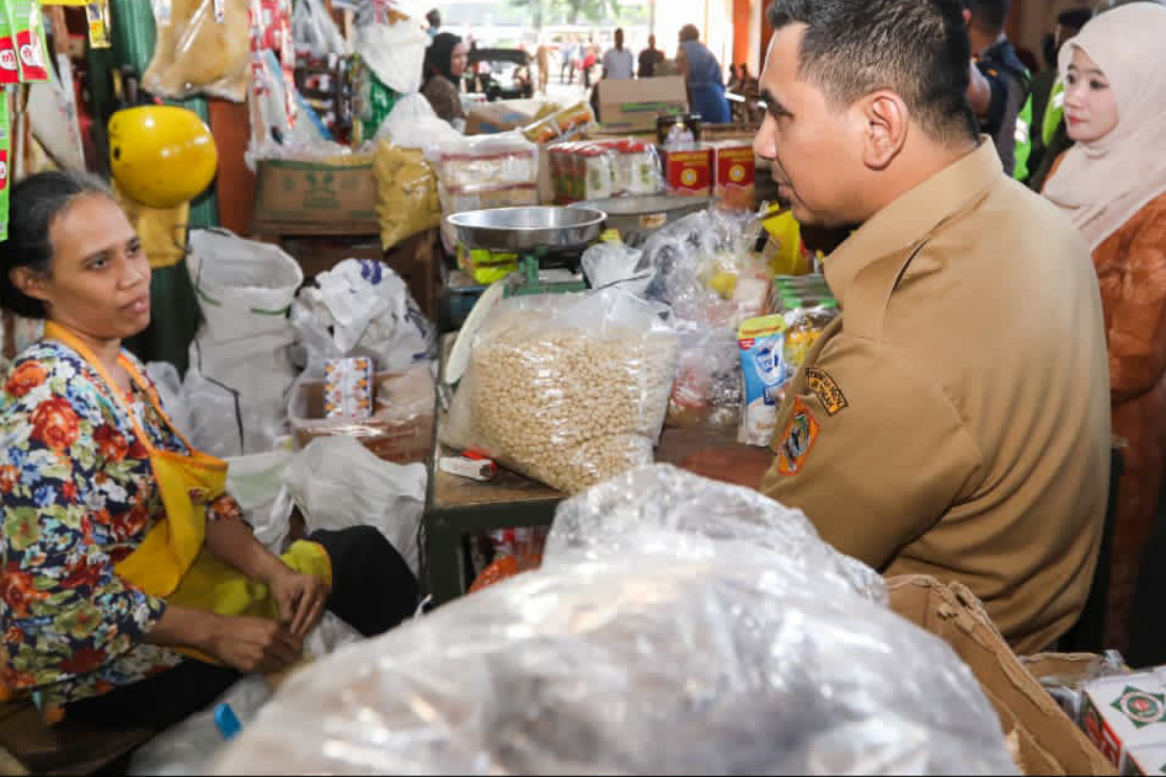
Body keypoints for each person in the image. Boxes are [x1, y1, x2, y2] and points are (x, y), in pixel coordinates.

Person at [720, 0, 1109, 655]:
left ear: (880, 126)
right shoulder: (1035, 218)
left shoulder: (892, 352)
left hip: (919, 684)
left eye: (779, 113)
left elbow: (777, 573)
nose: (762, 143)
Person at [0, 172, 419, 728]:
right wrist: (216, 633)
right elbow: (55, 603)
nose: (133, 278)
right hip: (105, 671)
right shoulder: (46, 409)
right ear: (34, 282)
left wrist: (274, 574)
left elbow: (194, 495)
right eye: (99, 264)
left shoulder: (115, 365)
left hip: (173, 596)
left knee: (341, 561)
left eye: (132, 250)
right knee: (361, 565)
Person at [1042, 2, 1166, 656]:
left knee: (1101, 603)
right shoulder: (1072, 165)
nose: (1075, 99)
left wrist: (1026, 365)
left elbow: (1133, 357)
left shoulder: (1159, 196)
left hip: (1115, 439)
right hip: (1051, 415)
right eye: (1072, 78)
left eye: (1098, 83)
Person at [1015, 8, 1093, 189]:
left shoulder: (1090, 95)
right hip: (1025, 178)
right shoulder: (1039, 83)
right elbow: (1022, 132)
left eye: (1068, 42)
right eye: (1059, 41)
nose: (1062, 49)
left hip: (1061, 182)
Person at [963, 0, 1030, 176]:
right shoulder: (1015, 68)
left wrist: (953, 35)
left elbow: (974, 93)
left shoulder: (1007, 72)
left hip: (1000, 185)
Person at [675, 24, 731, 124]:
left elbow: (682, 77)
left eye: (679, 62)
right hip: (718, 99)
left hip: (703, 101)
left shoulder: (685, 49)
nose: (676, 66)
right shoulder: (705, 51)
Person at [422, 32, 469, 127]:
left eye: (464, 55)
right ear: (442, 58)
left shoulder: (435, 80)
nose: (463, 61)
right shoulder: (442, 87)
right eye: (456, 56)